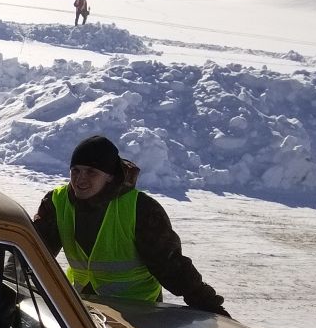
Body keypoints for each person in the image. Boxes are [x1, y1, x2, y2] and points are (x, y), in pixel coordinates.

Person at [31, 134, 228, 314]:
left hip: (138, 311)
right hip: (85, 306)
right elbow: (34, 252)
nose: (80, 179)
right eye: (75, 170)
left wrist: (205, 302)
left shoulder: (140, 209)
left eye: (91, 172)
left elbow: (170, 265)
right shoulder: (57, 203)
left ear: (109, 176)